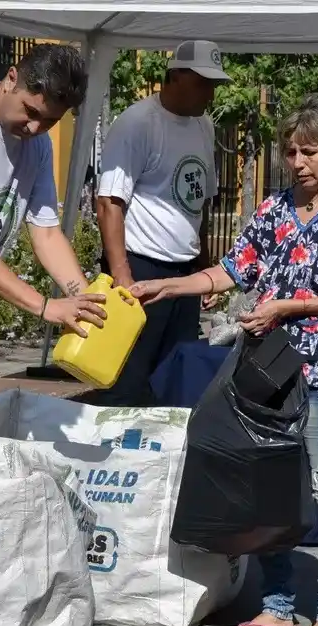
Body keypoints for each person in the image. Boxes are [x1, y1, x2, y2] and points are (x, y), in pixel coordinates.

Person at [131, 94, 318, 626]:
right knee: (266, 492)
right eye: (290, 152)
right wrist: (167, 286)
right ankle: (276, 609)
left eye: (309, 151)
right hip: (267, 376)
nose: (297, 162)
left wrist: (287, 307)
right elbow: (230, 270)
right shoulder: (274, 208)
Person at [0, 43, 107, 448]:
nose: (36, 128)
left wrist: (88, 302)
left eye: (50, 121)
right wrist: (46, 306)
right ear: (10, 79)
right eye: (31, 111)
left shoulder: (37, 144)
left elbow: (47, 233)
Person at [93, 40, 228, 406]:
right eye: (202, 82)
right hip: (141, 267)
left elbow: (200, 201)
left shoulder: (204, 126)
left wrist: (204, 267)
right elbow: (108, 202)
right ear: (175, 76)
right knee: (129, 378)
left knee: (174, 377)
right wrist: (123, 277)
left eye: (214, 85)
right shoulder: (138, 123)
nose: (209, 92)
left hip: (182, 274)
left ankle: (165, 458)